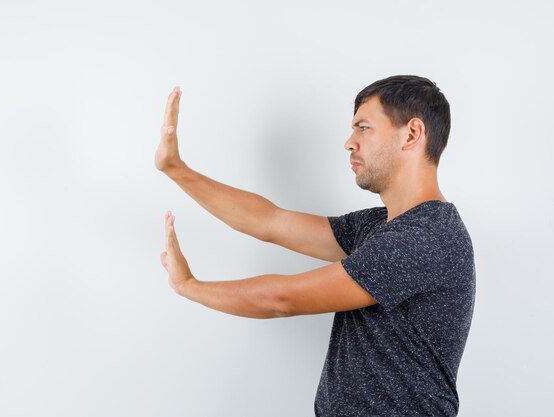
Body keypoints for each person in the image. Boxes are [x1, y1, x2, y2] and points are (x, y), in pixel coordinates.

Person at [155, 75, 476, 417]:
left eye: (363, 128)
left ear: (411, 134)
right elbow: (270, 221)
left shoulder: (422, 237)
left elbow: (282, 299)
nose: (349, 143)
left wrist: (189, 286)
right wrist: (177, 170)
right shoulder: (379, 226)